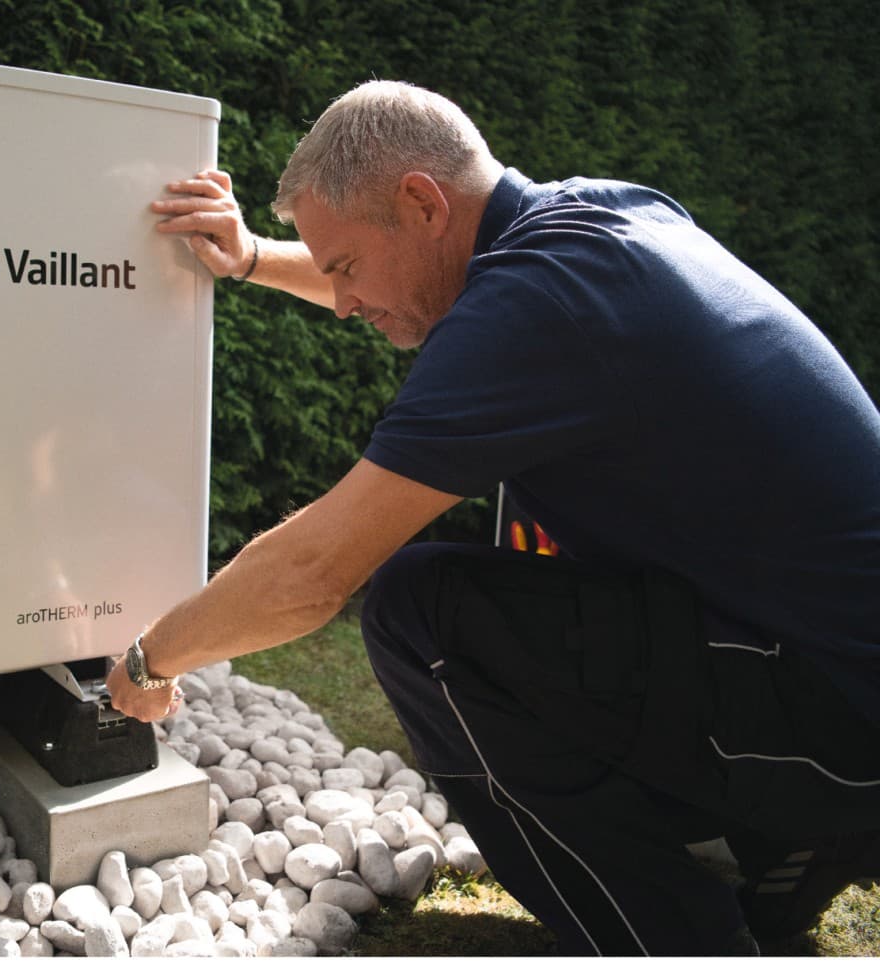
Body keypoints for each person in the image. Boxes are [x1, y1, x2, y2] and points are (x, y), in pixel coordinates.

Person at [104, 80, 880, 955]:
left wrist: (149, 657)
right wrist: (251, 259)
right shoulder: (594, 225)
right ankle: (789, 843)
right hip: (830, 668)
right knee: (534, 559)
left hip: (844, 716)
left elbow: (312, 576)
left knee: (421, 616)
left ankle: (680, 947)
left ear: (421, 203)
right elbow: (412, 295)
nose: (347, 302)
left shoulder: (542, 307)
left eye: (346, 266)